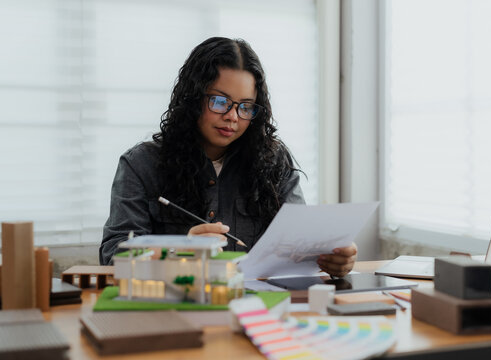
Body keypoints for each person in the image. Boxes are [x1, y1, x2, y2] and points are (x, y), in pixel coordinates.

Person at [99, 37, 357, 277]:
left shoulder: (274, 161)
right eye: (220, 101)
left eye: (245, 107)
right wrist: (177, 251)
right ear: (192, 99)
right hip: (174, 310)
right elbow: (113, 258)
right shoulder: (140, 165)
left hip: (258, 306)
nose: (233, 117)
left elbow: (299, 243)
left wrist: (331, 257)